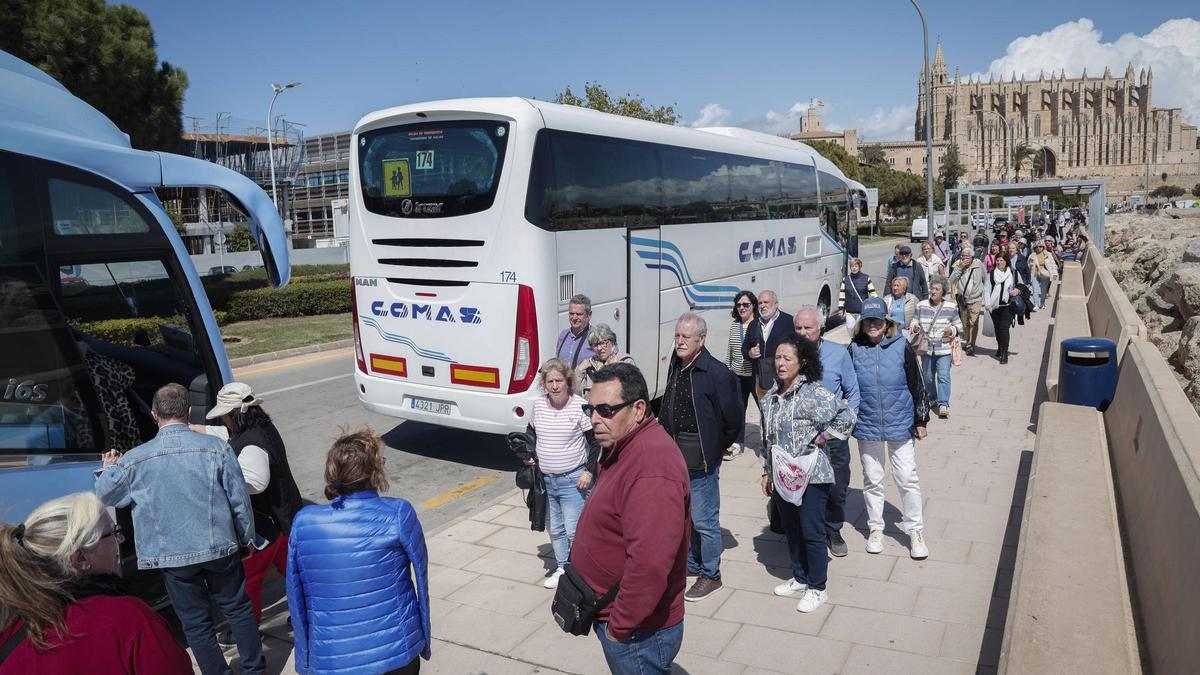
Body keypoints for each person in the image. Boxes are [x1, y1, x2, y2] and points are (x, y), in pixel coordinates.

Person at [94, 383, 264, 675]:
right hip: (220, 547)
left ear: (153, 414)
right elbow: (239, 501)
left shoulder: (135, 459)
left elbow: (107, 495)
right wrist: (247, 536)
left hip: (172, 557)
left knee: (196, 624)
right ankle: (254, 670)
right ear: (188, 412)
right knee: (238, 610)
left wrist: (108, 468)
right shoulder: (217, 449)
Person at [573, 363, 689, 674]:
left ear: (638, 409)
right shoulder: (625, 444)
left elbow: (650, 564)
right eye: (591, 409)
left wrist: (619, 628)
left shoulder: (652, 467)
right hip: (624, 621)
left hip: (638, 633)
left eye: (606, 410)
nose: (595, 419)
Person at [286, 429, 430, 675]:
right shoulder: (397, 514)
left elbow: (295, 597)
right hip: (395, 652)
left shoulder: (304, 522)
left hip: (332, 658)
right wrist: (423, 639)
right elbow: (422, 581)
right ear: (375, 472)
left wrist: (305, 660)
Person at [0, 492, 191, 674]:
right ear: (80, 558)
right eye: (113, 533)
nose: (121, 539)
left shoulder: (12, 630)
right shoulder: (130, 619)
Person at [191, 382, 303, 629]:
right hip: (285, 518)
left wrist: (220, 479)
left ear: (233, 414)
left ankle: (249, 628)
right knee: (294, 573)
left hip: (269, 523)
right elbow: (226, 436)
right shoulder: (257, 427)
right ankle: (309, 612)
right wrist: (190, 428)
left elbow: (254, 482)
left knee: (250, 577)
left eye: (223, 415)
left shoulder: (252, 443)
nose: (222, 421)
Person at [757, 337, 855, 613]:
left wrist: (822, 437)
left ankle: (818, 587)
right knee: (792, 529)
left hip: (813, 475)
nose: (780, 363)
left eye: (788, 358)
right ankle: (800, 578)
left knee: (812, 531)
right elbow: (768, 439)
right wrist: (767, 472)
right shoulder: (771, 398)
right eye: (777, 357)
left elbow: (846, 416)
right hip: (783, 477)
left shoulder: (813, 393)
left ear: (802, 362)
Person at [660, 313, 740, 602]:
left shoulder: (716, 373)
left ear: (701, 340)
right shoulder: (677, 363)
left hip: (701, 458)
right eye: (677, 335)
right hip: (675, 455)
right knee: (687, 517)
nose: (679, 341)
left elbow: (733, 419)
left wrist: (716, 447)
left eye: (686, 337)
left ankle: (711, 574)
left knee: (705, 520)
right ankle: (693, 564)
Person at [848, 298, 931, 559]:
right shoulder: (854, 348)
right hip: (867, 423)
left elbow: (916, 383)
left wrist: (921, 419)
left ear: (887, 323)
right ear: (861, 324)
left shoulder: (901, 346)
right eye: (868, 321)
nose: (872, 325)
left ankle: (915, 530)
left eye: (877, 320)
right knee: (872, 480)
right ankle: (875, 528)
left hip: (901, 421)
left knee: (906, 478)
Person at [793, 308, 860, 558]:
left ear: (820, 328)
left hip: (831, 436)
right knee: (803, 486)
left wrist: (840, 428)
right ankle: (808, 531)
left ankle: (833, 528)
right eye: (798, 328)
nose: (802, 332)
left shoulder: (838, 353)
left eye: (807, 328)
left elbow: (853, 394)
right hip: (801, 436)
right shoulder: (789, 353)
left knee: (837, 485)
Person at [528, 358, 599, 589]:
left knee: (574, 530)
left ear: (567, 382)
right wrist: (528, 453)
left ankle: (581, 572)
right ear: (544, 383)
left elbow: (595, 442)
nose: (555, 386)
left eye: (559, 381)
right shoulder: (538, 406)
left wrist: (589, 471)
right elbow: (531, 434)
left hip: (573, 480)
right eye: (550, 382)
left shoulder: (579, 406)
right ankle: (562, 567)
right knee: (555, 529)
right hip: (546, 481)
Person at [910, 279, 962, 419]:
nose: (933, 291)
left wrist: (951, 330)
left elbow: (959, 326)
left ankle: (943, 404)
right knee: (927, 377)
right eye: (932, 288)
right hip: (926, 349)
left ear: (943, 292)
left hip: (943, 349)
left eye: (937, 289)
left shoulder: (951, 307)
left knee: (943, 376)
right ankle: (932, 397)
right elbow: (914, 320)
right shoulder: (921, 305)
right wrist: (915, 327)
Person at [743, 290, 795, 400]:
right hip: (762, 379)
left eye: (766, 302)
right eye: (760, 303)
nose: (762, 306)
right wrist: (750, 353)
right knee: (765, 412)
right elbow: (744, 348)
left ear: (776, 304)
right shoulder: (753, 324)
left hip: (783, 378)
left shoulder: (789, 321)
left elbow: (798, 348)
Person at [725, 290, 758, 460]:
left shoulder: (759, 324)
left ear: (753, 306)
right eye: (739, 305)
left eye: (746, 305)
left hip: (755, 375)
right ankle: (737, 443)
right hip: (737, 375)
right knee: (738, 409)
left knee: (764, 408)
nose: (742, 308)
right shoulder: (734, 325)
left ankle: (769, 442)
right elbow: (730, 351)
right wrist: (728, 371)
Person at [576, 324, 636, 399]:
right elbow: (577, 394)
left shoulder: (625, 361)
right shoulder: (589, 366)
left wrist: (613, 370)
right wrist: (579, 371)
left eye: (602, 343)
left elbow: (631, 392)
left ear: (612, 341)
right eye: (595, 345)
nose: (599, 348)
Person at [948, 245, 986, 356]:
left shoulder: (978, 264)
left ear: (972, 257)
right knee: (965, 323)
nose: (965, 258)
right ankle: (967, 341)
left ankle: (971, 344)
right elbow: (951, 280)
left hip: (976, 298)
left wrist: (985, 294)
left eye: (967, 256)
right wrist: (959, 268)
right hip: (963, 300)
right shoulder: (959, 265)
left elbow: (985, 278)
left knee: (973, 322)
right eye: (963, 256)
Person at [984, 254, 1019, 364]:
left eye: (1001, 260)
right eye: (997, 260)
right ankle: (1000, 347)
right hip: (994, 307)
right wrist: (988, 304)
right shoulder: (991, 274)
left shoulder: (1012, 273)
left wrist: (1017, 290)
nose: (999, 262)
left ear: (1006, 261)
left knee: (1004, 329)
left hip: (1007, 306)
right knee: (997, 329)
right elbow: (987, 290)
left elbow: (1022, 285)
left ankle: (1004, 352)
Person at [556, 293, 595, 369]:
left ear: (589, 315)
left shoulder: (596, 336)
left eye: (579, 314)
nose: (574, 317)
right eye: (571, 313)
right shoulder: (563, 335)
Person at [837, 259, 876, 330]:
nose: (854, 268)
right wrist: (841, 308)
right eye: (852, 266)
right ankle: (853, 340)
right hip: (850, 311)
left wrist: (876, 305)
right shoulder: (845, 280)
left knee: (861, 330)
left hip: (862, 311)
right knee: (850, 328)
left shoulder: (866, 278)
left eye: (856, 266)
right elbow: (842, 295)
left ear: (859, 267)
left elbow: (873, 293)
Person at [1029, 240, 1059, 310]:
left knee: (1043, 290)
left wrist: (1054, 273)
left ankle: (1042, 303)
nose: (1038, 248)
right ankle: (1036, 304)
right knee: (1035, 290)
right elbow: (1028, 265)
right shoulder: (1032, 256)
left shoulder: (1048, 254)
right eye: (1037, 247)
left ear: (1043, 247)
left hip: (1045, 274)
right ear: (1034, 248)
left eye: (1040, 246)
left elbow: (1053, 264)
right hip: (1035, 274)